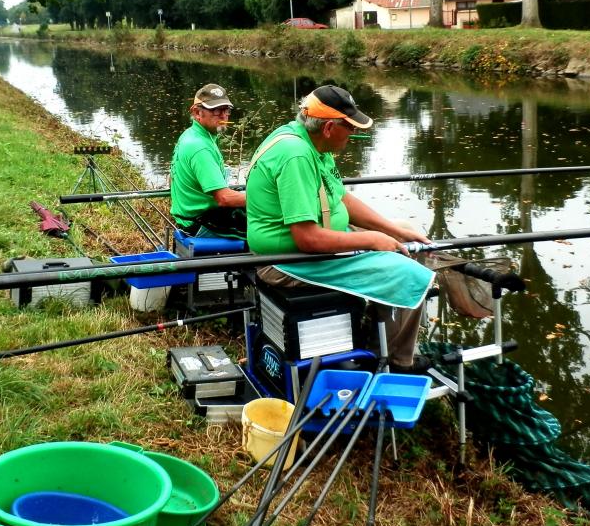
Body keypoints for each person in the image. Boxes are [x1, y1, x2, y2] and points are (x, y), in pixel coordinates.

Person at [245, 84, 434, 372]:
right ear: (330, 127)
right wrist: (371, 240)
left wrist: (391, 231)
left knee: (406, 235)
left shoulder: (313, 143)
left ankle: (377, 332)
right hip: (287, 262)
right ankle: (394, 362)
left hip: (317, 245)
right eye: (350, 128)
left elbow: (340, 197)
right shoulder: (296, 155)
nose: (353, 135)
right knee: (409, 273)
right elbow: (306, 238)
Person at [170, 83, 248, 239]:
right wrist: (264, 197)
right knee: (267, 228)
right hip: (198, 222)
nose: (223, 115)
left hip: (193, 215)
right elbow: (224, 198)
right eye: (216, 110)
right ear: (197, 112)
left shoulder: (192, 134)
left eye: (226, 109)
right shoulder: (200, 147)